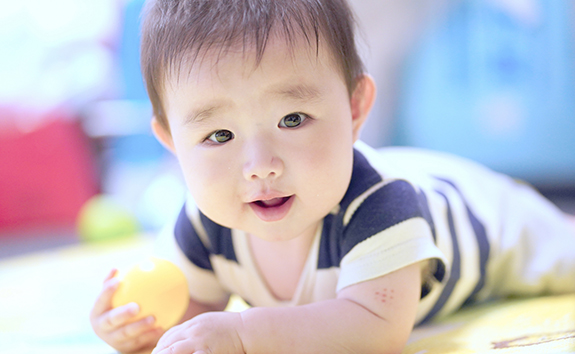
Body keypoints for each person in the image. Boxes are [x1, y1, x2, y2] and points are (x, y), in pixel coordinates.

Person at [90, 0, 575, 353]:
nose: (260, 164)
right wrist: (143, 327)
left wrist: (242, 334)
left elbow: (375, 326)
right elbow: (196, 309)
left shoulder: (382, 204)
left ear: (355, 107)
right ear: (172, 140)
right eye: (219, 135)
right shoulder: (203, 220)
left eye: (293, 119)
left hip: (485, 215)